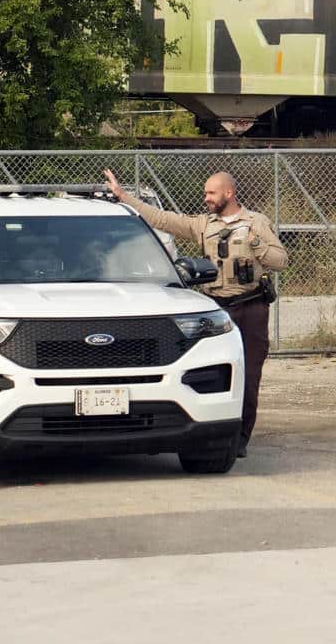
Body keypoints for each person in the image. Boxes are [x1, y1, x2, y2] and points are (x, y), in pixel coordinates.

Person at [103, 169, 288, 458]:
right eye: (205, 193)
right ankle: (211, 431)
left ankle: (239, 439)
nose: (206, 199)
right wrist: (124, 197)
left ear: (228, 193)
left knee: (249, 378)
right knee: (213, 376)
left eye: (211, 193)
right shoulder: (203, 225)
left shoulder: (256, 223)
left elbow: (281, 260)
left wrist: (255, 244)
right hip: (217, 311)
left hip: (252, 309)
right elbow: (162, 220)